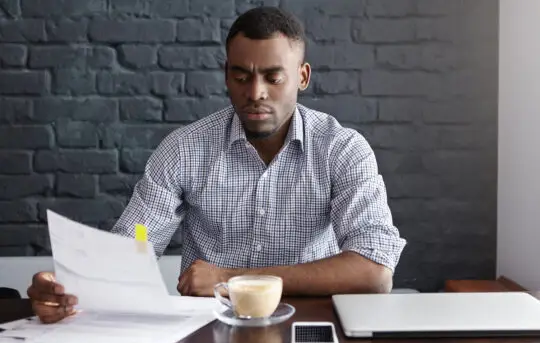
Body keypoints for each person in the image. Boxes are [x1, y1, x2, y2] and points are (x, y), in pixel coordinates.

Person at [26, 6, 406, 324]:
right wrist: (66, 289)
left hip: (305, 325)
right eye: (241, 76)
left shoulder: (342, 149)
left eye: (273, 77)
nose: (255, 92)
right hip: (205, 329)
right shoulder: (184, 149)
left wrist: (231, 279)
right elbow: (130, 252)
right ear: (226, 75)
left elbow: (374, 273)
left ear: (302, 77)